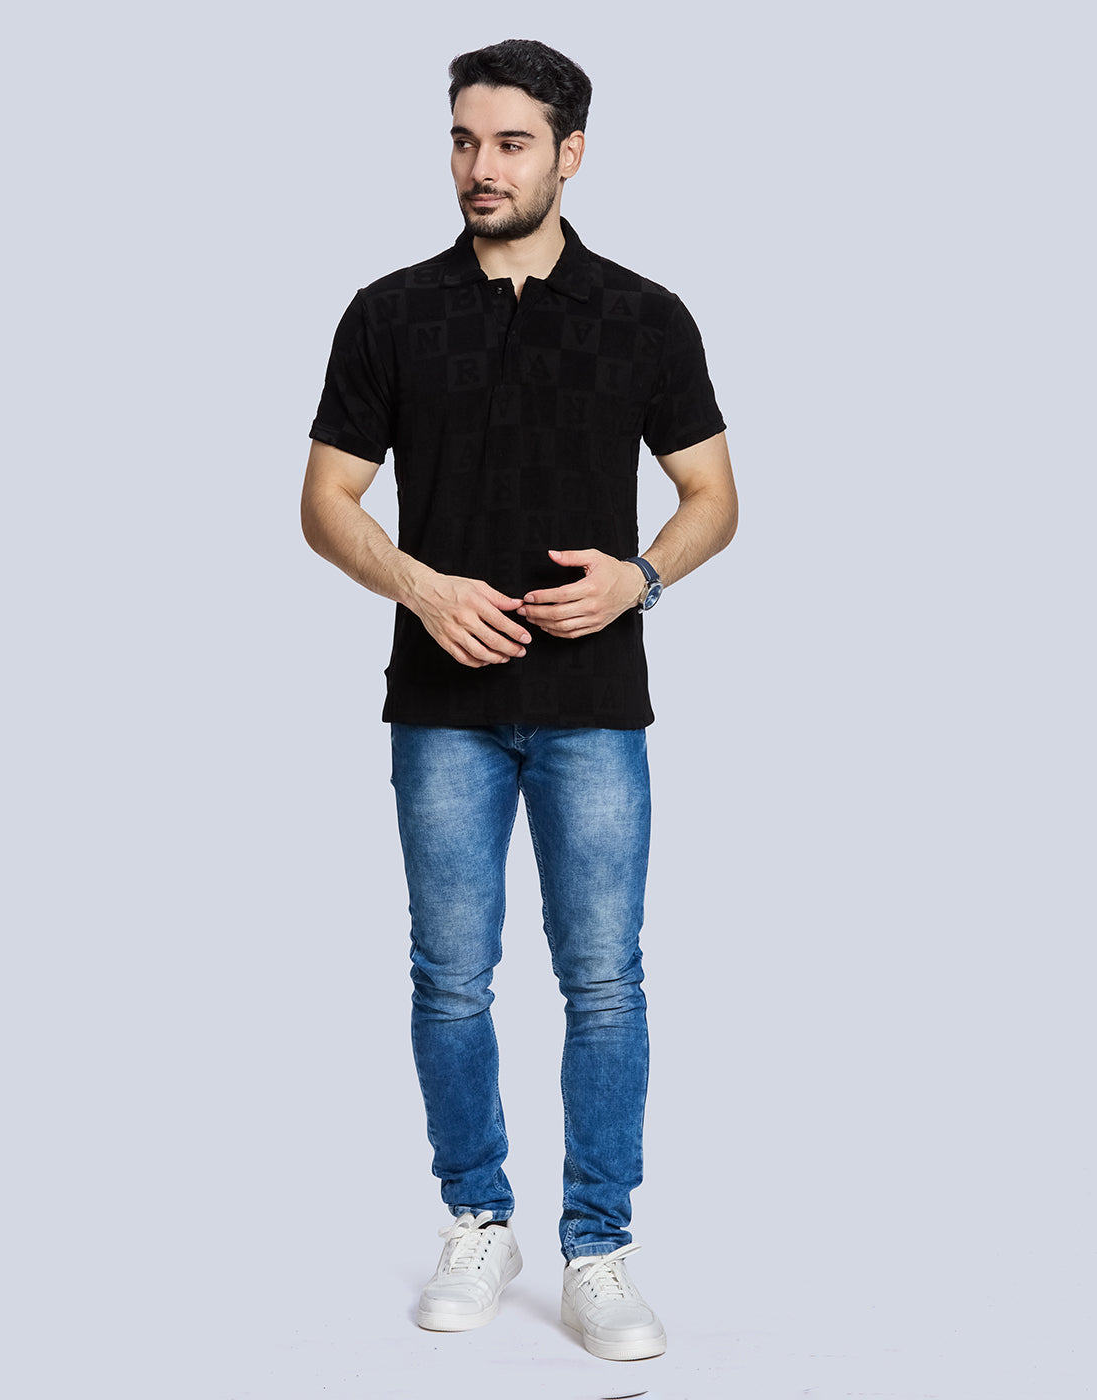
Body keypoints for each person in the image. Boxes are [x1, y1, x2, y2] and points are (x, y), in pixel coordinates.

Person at [301, 38, 737, 1362]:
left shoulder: (644, 315)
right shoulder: (389, 312)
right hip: (440, 709)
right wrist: (420, 587)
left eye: (508, 143)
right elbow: (326, 501)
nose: (478, 167)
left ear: (569, 154)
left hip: (595, 703)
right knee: (450, 979)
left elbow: (713, 497)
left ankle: (597, 1246)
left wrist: (638, 580)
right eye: (462, 140)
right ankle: (477, 1218)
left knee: (604, 981)